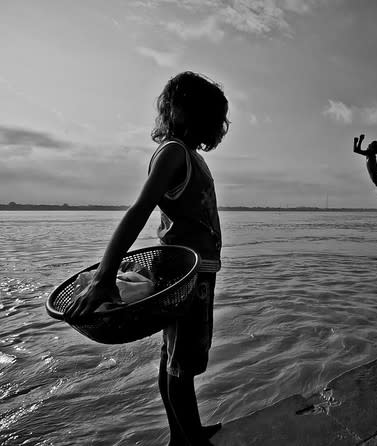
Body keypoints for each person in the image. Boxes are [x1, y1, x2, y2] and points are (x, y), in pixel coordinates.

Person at [65, 71, 228, 445]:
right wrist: (105, 277)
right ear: (189, 114)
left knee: (174, 358)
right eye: (214, 117)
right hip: (187, 274)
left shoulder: (188, 155)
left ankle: (180, 436)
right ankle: (192, 442)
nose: (218, 127)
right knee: (181, 364)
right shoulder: (173, 152)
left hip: (194, 272)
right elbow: (138, 211)